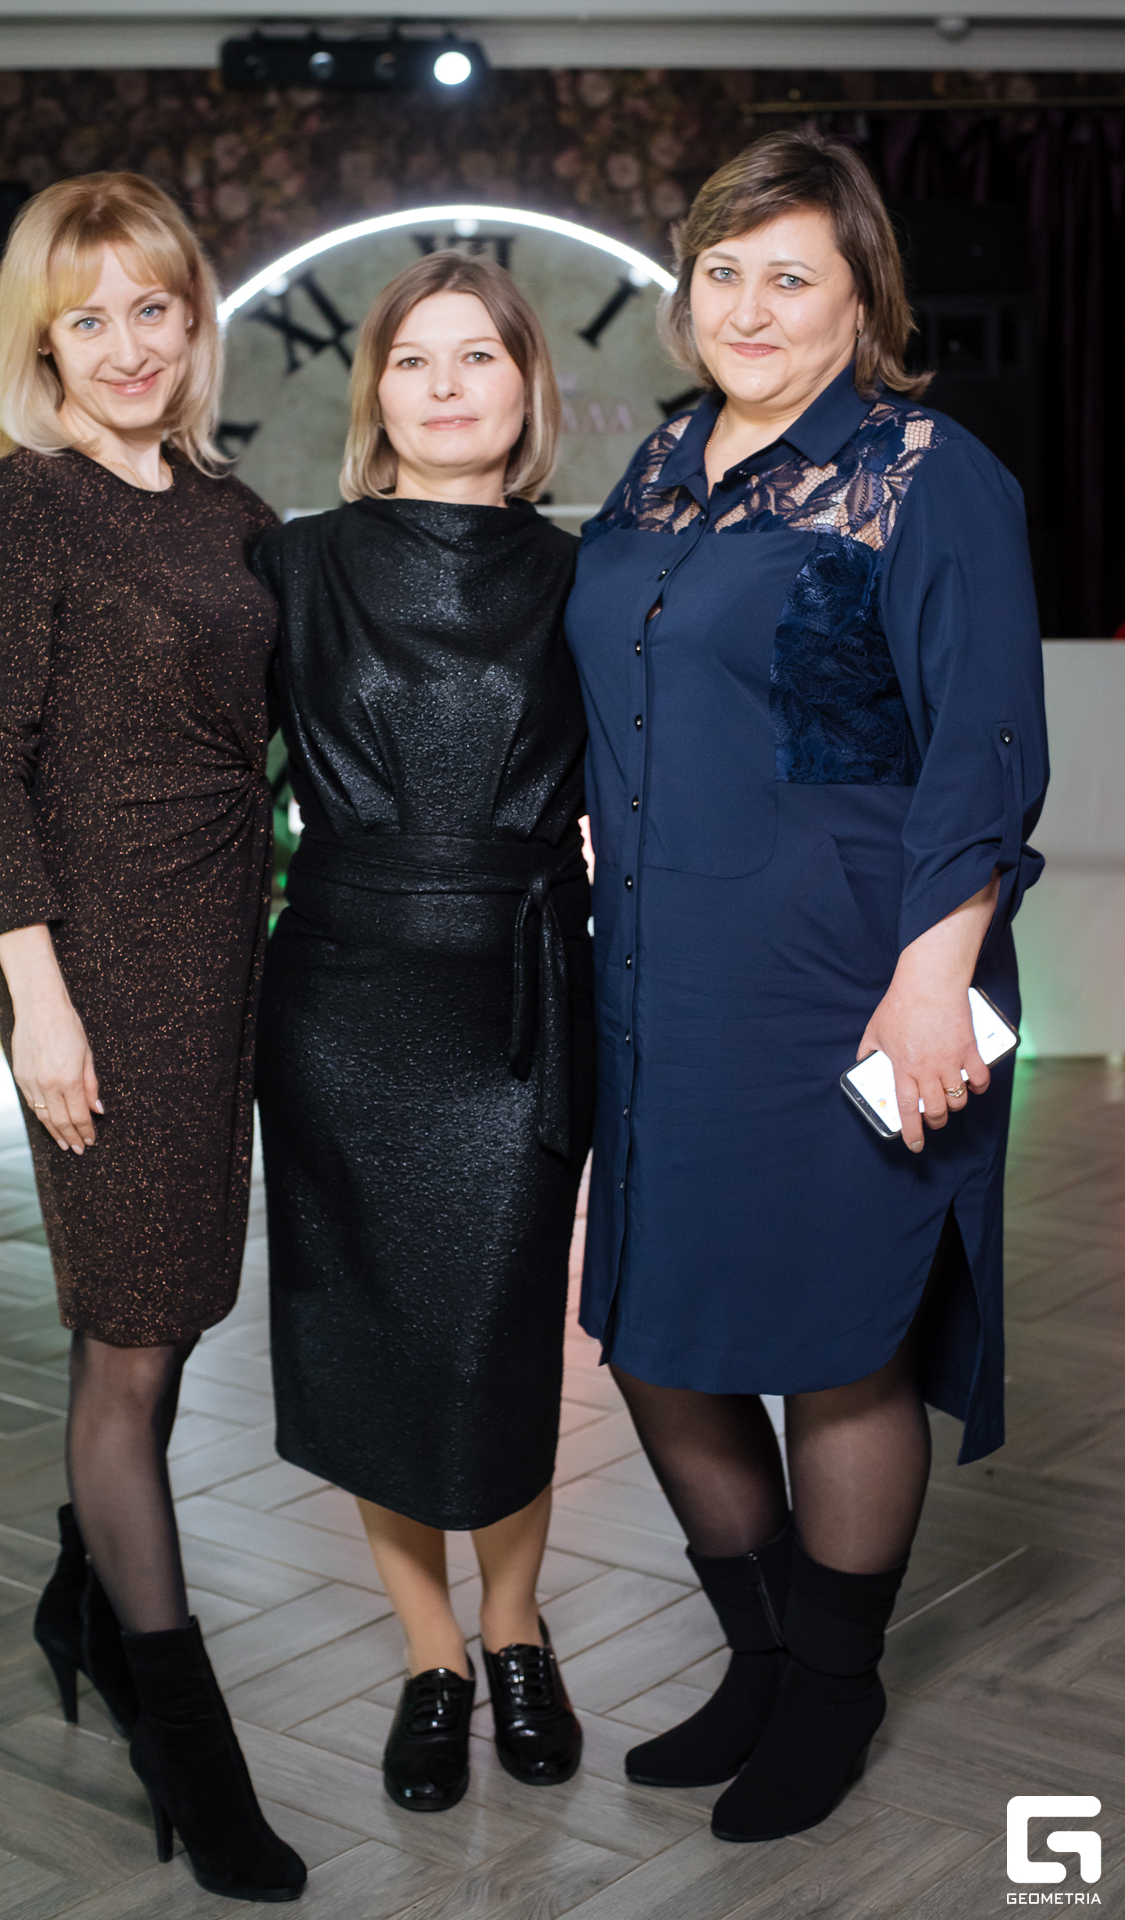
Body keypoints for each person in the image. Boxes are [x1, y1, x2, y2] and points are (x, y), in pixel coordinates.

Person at [564, 129, 1047, 1843]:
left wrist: (933, 974)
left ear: (859, 300)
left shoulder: (925, 472)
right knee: (652, 1331)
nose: (750, 307)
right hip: (660, 978)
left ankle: (832, 1692)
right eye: (723, 272)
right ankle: (760, 1655)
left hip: (849, 973)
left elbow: (986, 746)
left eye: (791, 276)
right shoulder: (660, 466)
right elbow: (635, 682)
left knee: (842, 1345)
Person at [0, 171, 306, 1903]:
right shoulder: (22, 505)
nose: (126, 345)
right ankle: (192, 1749)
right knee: (132, 1345)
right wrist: (40, 1001)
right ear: (40, 342)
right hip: (93, 976)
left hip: (222, 963)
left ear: (192, 317)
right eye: (85, 317)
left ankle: (84, 1603)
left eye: (152, 307)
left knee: (171, 1315)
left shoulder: (234, 511)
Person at [251, 251, 593, 1813]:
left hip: (520, 1001)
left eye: (477, 356)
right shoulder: (291, 565)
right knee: (378, 1339)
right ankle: (431, 1654)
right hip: (342, 1001)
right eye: (411, 358)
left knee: (498, 1335)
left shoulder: (594, 574)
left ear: (527, 385)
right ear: (372, 388)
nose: (445, 385)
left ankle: (515, 1629)